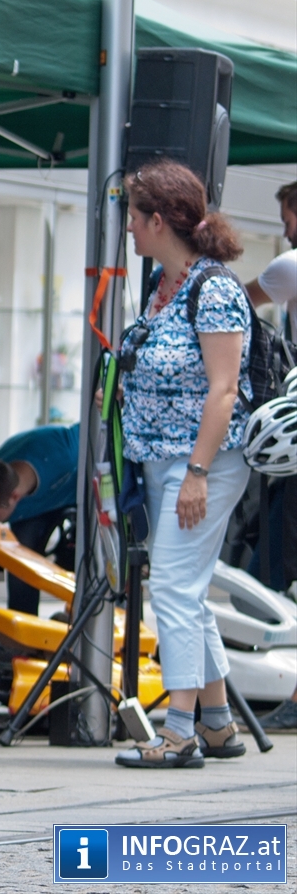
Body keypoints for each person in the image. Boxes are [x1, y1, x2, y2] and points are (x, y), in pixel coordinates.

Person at [113, 160, 253, 769]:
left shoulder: (214, 289)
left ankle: (179, 732)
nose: (128, 229)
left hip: (204, 465)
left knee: (171, 586)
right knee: (185, 590)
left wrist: (196, 473)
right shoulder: (165, 286)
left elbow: (224, 389)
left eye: (134, 217)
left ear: (160, 220)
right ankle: (217, 723)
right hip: (165, 460)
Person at [244, 180, 297, 732]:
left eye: (287, 217)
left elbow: (234, 302)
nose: (284, 230)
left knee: (271, 573)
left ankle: (284, 686)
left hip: (292, 447)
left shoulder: (291, 266)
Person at [0, 423, 80, 614]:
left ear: (14, 497)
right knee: (20, 564)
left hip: (77, 492)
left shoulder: (64, 453)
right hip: (36, 506)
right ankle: (20, 634)